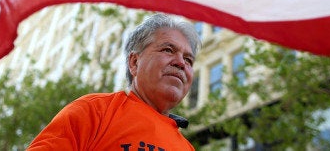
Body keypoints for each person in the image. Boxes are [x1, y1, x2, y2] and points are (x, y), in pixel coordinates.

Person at [27, 13, 201, 150]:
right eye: (168, 50)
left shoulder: (187, 147)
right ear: (134, 62)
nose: (181, 63)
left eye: (188, 60)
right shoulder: (93, 111)